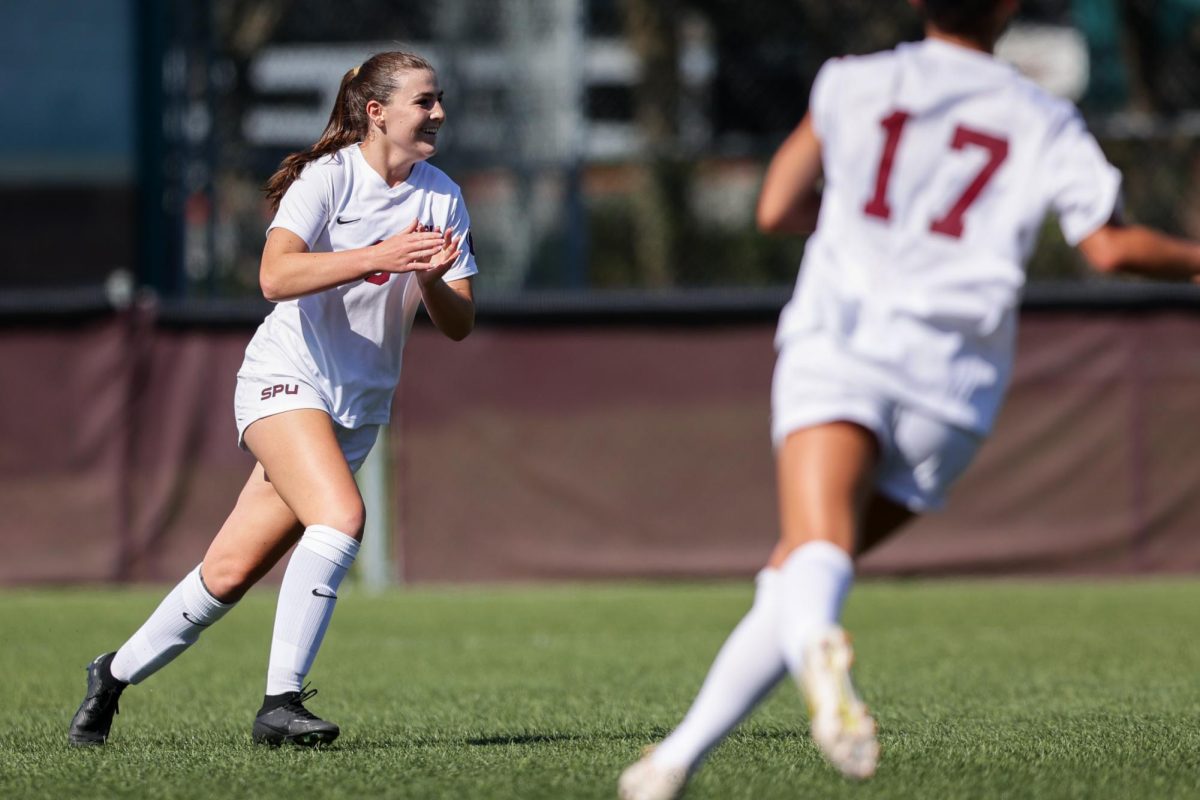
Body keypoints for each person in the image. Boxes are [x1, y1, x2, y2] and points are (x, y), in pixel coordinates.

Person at [618, 1, 1200, 797]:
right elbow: (1111, 247)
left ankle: (815, 646)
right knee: (799, 567)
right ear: (1008, 8)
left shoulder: (854, 83)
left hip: (846, 340)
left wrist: (860, 228)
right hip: (953, 384)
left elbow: (775, 208)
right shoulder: (1043, 116)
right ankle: (672, 762)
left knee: (812, 557)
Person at [68, 50, 477, 748]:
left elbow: (460, 322)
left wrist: (431, 276)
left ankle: (111, 674)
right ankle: (279, 705)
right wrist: (380, 253)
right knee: (342, 517)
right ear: (376, 112)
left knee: (227, 573)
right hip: (283, 380)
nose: (438, 113)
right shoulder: (327, 178)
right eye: (425, 101)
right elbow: (274, 276)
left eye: (439, 101)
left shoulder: (442, 195)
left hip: (355, 412)